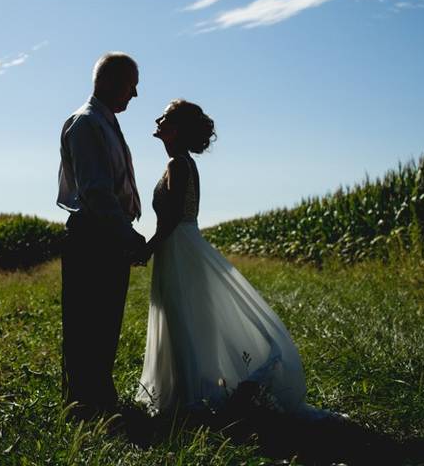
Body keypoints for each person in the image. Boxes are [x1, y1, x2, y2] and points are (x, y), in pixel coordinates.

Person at [136, 99, 321, 417]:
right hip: (183, 243)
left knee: (181, 318)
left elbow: (174, 216)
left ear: (176, 128)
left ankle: (189, 400)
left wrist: (149, 246)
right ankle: (185, 391)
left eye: (164, 117)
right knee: (186, 318)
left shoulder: (178, 164)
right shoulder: (185, 163)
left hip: (178, 246)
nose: (158, 119)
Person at [57, 52, 147, 420]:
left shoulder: (104, 122)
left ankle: (98, 400)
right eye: (131, 85)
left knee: (106, 323)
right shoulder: (87, 123)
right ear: (109, 81)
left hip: (106, 236)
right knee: (86, 325)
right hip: (94, 236)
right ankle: (82, 407)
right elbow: (95, 191)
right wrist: (128, 234)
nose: (135, 94)